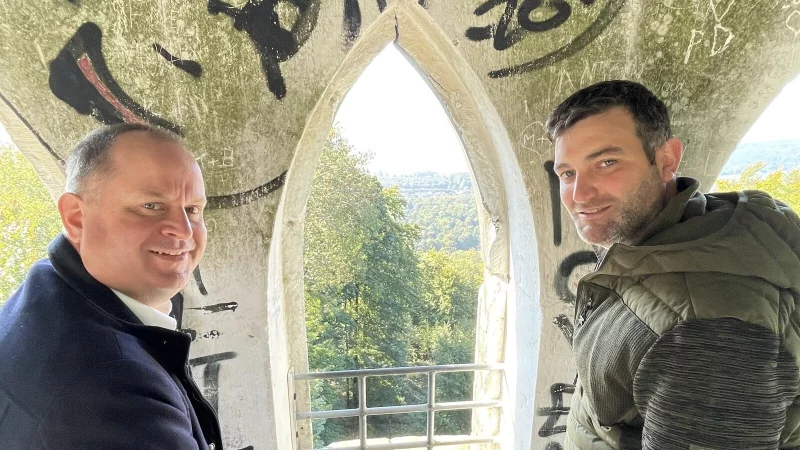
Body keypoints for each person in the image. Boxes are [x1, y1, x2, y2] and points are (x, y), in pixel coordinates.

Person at [547, 80, 800, 449]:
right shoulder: (678, 237)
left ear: (667, 159)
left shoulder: (710, 332)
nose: (580, 194)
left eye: (606, 162)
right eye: (567, 173)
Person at [0, 123, 222, 449]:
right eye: (152, 206)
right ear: (76, 217)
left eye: (192, 210)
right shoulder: (115, 387)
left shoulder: (48, 286)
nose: (185, 231)